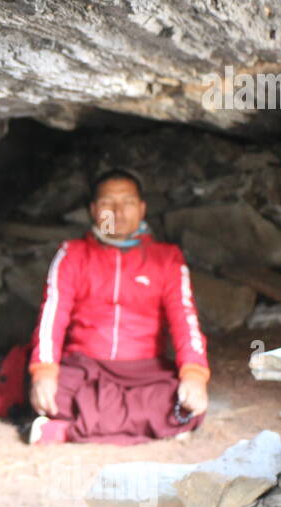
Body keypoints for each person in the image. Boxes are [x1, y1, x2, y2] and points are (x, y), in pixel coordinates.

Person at [26, 168, 210, 445]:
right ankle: (141, 425)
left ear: (142, 208)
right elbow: (52, 315)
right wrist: (44, 372)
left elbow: (185, 320)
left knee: (186, 407)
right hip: (84, 367)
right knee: (46, 395)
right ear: (92, 210)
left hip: (144, 371)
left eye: (127, 202)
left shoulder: (166, 258)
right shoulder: (72, 254)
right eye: (107, 203)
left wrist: (194, 375)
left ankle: (66, 430)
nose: (118, 212)